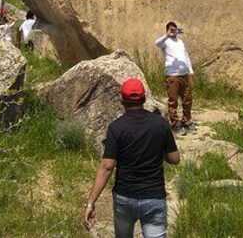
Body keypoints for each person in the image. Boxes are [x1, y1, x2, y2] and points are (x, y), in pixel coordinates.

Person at [83, 78, 180, 238]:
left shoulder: (116, 127)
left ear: (122, 100)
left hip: (125, 197)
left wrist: (91, 203)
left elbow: (107, 167)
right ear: (144, 98)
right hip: (154, 196)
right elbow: (175, 159)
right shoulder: (160, 124)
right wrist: (156, 151)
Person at [154, 22, 195, 136]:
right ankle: (175, 125)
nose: (174, 32)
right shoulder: (165, 42)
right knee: (173, 101)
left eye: (175, 29)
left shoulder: (180, 42)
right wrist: (167, 35)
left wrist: (190, 71)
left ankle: (187, 121)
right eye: (171, 30)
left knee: (187, 99)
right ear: (167, 30)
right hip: (172, 76)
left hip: (184, 75)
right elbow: (156, 43)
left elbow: (186, 56)